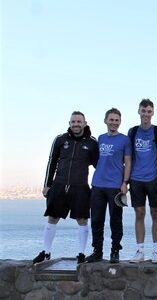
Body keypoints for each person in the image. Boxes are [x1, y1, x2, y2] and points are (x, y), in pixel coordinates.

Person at [33, 111, 99, 265]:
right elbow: (52, 162)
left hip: (80, 186)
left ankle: (81, 254)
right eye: (73, 122)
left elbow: (98, 166)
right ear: (69, 123)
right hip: (59, 185)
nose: (76, 124)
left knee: (82, 220)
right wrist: (47, 184)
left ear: (84, 123)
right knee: (52, 218)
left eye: (79, 122)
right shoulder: (60, 139)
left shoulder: (92, 143)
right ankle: (46, 252)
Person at [86, 108, 132, 263]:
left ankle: (115, 251)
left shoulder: (125, 140)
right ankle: (97, 251)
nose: (114, 123)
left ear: (120, 122)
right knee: (96, 220)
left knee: (115, 220)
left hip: (115, 186)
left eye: (117, 120)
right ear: (105, 120)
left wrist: (125, 182)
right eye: (111, 120)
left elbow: (128, 162)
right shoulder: (100, 138)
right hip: (98, 184)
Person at [128, 99, 157, 263]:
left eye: (149, 111)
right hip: (136, 179)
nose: (146, 114)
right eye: (143, 111)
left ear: (153, 113)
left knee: (155, 212)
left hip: (153, 179)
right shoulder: (133, 131)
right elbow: (128, 156)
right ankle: (140, 250)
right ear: (139, 112)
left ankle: (156, 250)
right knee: (139, 213)